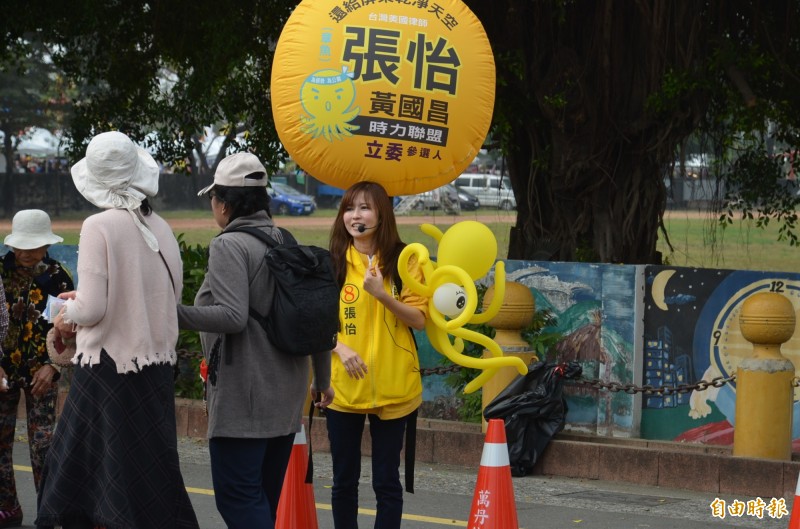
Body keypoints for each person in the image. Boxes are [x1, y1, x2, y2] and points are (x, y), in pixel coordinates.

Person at [35, 131, 199, 529]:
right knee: (147, 471)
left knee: (91, 477)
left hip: (108, 367)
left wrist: (64, 314)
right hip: (155, 366)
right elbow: (163, 294)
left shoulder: (99, 225)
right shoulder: (159, 225)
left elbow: (91, 309)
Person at [176, 152, 334, 529]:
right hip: (286, 397)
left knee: (240, 502)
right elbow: (317, 318)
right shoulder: (286, 239)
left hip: (245, 400)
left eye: (213, 199)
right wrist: (323, 381)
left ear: (225, 203)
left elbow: (231, 316)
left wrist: (170, 311)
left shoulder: (229, 246)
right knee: (262, 498)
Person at [326, 181, 428, 529]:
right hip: (343, 390)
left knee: (386, 482)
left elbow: (420, 319)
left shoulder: (407, 259)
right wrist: (339, 347)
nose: (356, 215)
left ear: (382, 214)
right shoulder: (332, 262)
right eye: (349, 208)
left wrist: (383, 295)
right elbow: (312, 322)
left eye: (365, 207)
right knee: (343, 482)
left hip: (394, 388)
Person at [0, 209, 74, 529]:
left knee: (43, 445)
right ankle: (7, 508)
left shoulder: (57, 277)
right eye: (21, 246)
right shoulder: (1, 273)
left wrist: (52, 367)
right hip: (1, 369)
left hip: (41, 371)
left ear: (46, 245)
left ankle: (49, 512)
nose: (25, 253)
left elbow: (72, 330)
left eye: (33, 246)